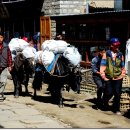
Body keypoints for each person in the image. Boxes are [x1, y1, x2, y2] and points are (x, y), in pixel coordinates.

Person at [100, 37, 126, 115]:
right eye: (115, 45)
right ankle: (105, 101)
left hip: (118, 77)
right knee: (109, 92)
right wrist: (103, 76)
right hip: (108, 76)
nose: (117, 47)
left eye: (118, 45)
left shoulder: (120, 54)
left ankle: (116, 109)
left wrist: (122, 74)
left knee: (117, 93)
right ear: (111, 45)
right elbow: (103, 65)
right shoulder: (106, 54)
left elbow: (122, 66)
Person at [0, 32, 13, 100]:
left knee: (3, 81)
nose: (0, 39)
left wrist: (10, 65)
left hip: (4, 66)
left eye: (1, 37)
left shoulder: (6, 46)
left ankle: (0, 93)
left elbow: (9, 56)